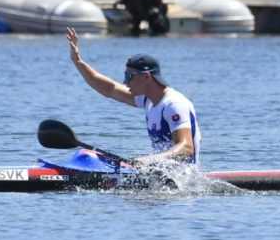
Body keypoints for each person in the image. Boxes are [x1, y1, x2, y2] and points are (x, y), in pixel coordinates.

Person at [65, 27, 201, 165]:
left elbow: (186, 147)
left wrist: (148, 160)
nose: (125, 81)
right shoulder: (148, 100)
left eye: (129, 76)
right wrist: (78, 62)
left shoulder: (174, 104)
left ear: (146, 76)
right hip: (160, 175)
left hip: (183, 181)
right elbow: (110, 89)